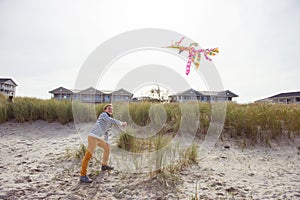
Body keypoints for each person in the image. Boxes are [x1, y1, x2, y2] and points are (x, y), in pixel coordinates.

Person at [80, 104, 127, 183]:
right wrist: (121, 123)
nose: (110, 110)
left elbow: (106, 132)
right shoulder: (103, 115)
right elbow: (111, 120)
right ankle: (83, 175)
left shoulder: (108, 122)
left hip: (98, 138)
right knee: (88, 156)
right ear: (104, 110)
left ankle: (104, 165)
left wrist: (107, 142)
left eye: (111, 109)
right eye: (109, 108)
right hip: (93, 137)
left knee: (107, 148)